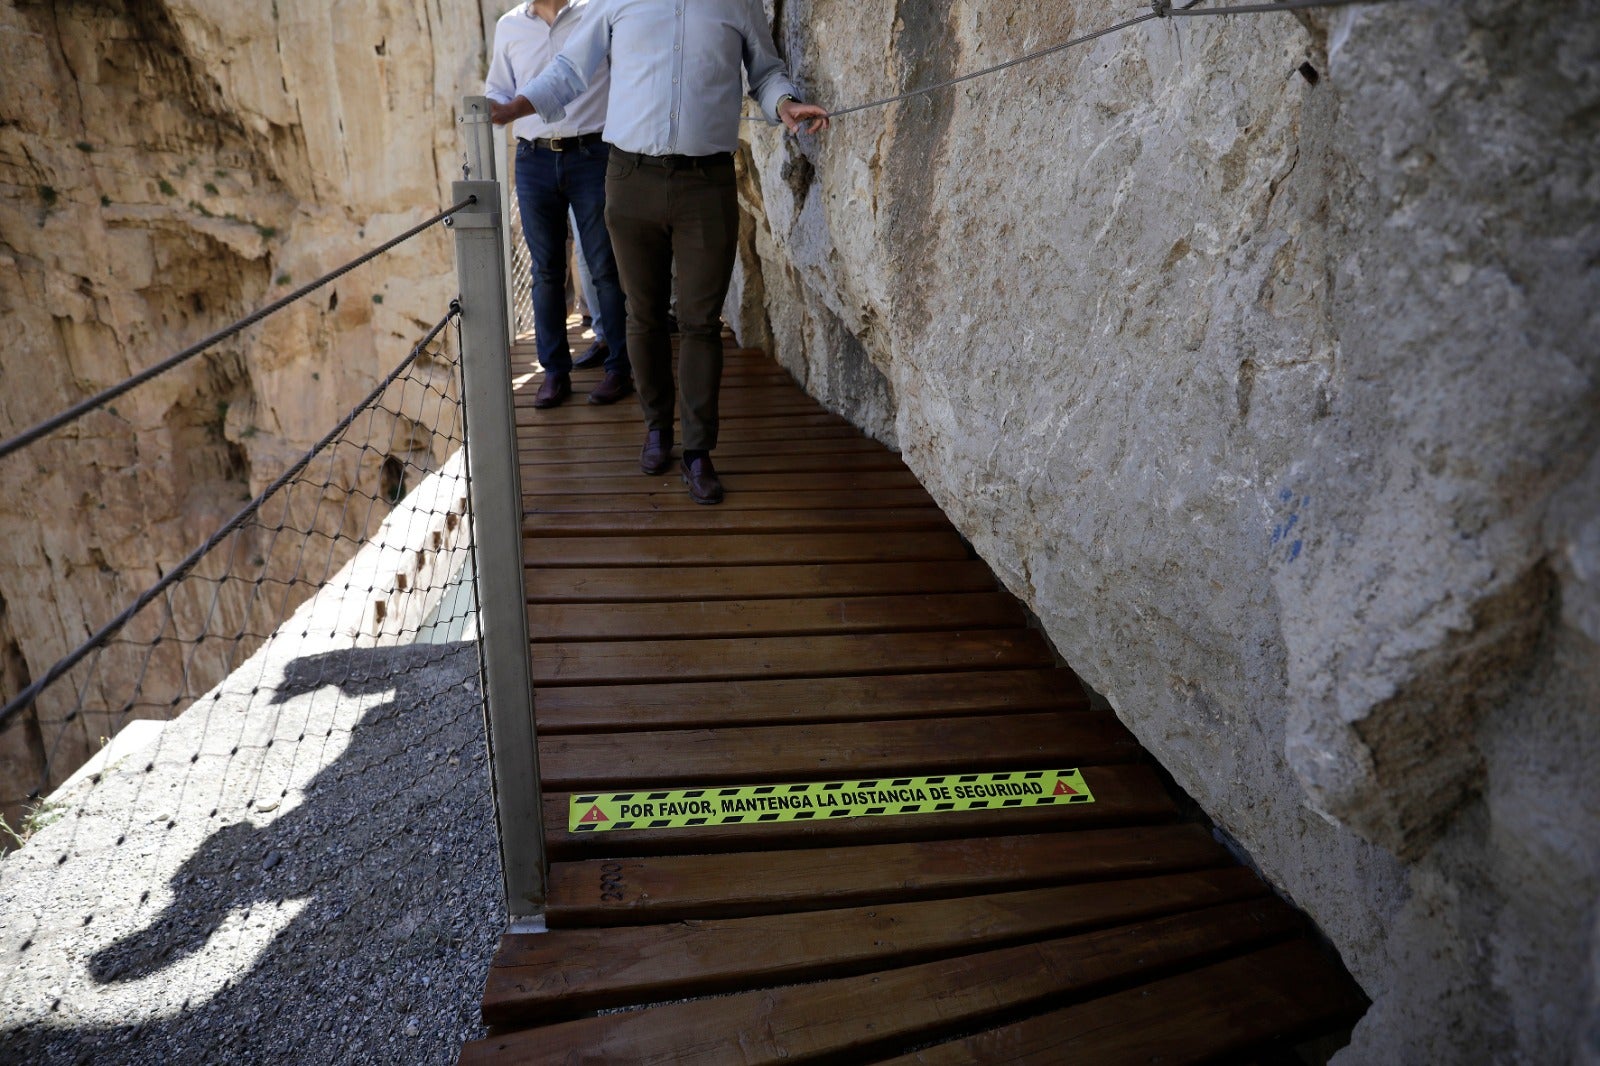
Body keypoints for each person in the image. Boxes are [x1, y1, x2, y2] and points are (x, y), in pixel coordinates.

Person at [489, 0, 828, 504]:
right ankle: (657, 429)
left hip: (706, 182)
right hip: (630, 179)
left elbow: (765, 71)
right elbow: (569, 70)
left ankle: (698, 451)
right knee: (642, 315)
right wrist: (510, 109)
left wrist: (784, 104)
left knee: (700, 321)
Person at [485, 0, 632, 408]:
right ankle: (553, 372)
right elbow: (498, 87)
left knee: (605, 266)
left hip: (593, 154)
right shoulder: (509, 26)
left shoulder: (596, 13)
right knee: (546, 271)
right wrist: (491, 104)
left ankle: (620, 368)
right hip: (532, 158)